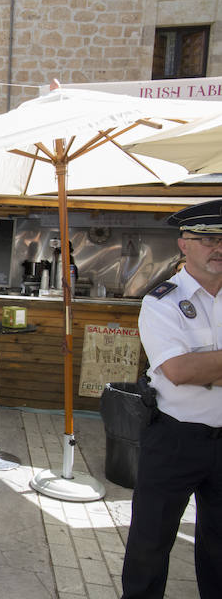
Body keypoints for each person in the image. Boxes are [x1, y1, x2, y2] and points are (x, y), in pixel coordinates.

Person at [121, 199, 222, 599]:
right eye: (208, 239)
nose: (218, 248)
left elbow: (195, 368)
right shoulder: (161, 301)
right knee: (151, 543)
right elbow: (179, 372)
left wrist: (207, 368)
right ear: (184, 244)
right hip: (175, 440)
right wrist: (196, 369)